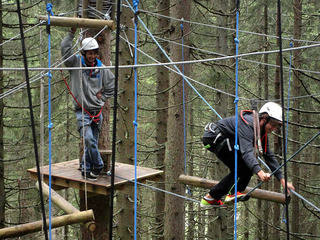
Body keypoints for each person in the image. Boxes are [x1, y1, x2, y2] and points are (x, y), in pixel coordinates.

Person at [201, 102, 295, 207]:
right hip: (215, 137)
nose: (273, 129)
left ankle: (211, 197)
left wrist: (282, 180)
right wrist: (259, 172)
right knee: (246, 165)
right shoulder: (248, 124)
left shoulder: (260, 131)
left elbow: (268, 155)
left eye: (276, 126)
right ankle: (227, 194)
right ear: (264, 119)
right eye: (272, 125)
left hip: (221, 139)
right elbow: (247, 153)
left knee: (244, 167)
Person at [61, 28, 114, 181]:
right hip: (82, 111)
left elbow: (111, 85)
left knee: (92, 143)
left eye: (94, 53)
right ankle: (98, 166)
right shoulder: (75, 64)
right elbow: (65, 51)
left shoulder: (101, 69)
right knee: (89, 140)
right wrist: (70, 34)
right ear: (83, 53)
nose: (92, 56)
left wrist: (103, 97)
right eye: (89, 53)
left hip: (97, 112)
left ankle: (86, 168)